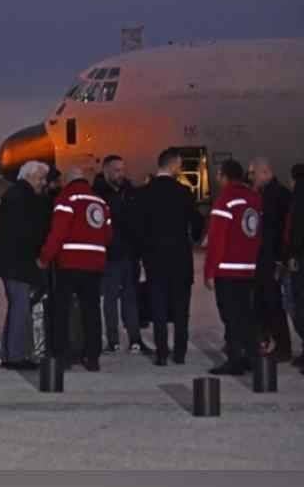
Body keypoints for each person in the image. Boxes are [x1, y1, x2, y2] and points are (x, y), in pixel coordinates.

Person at [38, 165, 112, 371]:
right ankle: (93, 356)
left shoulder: (66, 198)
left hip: (69, 263)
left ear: (67, 180)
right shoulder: (100, 202)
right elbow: (107, 235)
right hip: (95, 264)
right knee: (92, 311)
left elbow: (58, 233)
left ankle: (62, 355)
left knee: (62, 309)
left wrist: (45, 257)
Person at [134, 149, 204, 366]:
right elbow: (197, 222)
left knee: (159, 308)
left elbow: (138, 228)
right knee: (181, 309)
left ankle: (162, 352)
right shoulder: (184, 192)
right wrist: (195, 239)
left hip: (155, 260)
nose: (180, 168)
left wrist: (143, 252)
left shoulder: (145, 193)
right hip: (180, 259)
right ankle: (180, 352)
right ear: (172, 164)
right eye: (179, 164)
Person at [0, 161, 50, 369]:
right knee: (20, 308)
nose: (43, 182)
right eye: (40, 178)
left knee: (17, 307)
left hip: (11, 263)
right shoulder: (23, 197)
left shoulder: (15, 195)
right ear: (29, 176)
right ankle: (15, 356)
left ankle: (12, 352)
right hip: (17, 264)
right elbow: (28, 232)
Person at [203, 160, 262, 375]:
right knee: (246, 314)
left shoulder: (225, 199)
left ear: (223, 175)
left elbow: (217, 239)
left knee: (230, 316)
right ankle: (252, 356)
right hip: (248, 268)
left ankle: (235, 359)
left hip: (227, 270)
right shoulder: (254, 199)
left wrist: (210, 271)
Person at [93, 155, 149, 354]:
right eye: (116, 170)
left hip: (130, 255)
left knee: (130, 298)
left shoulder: (130, 192)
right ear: (106, 171)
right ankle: (113, 340)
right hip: (109, 256)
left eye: (122, 169)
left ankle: (135, 339)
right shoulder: (98, 194)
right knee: (109, 299)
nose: (121, 174)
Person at [249, 157, 293, 362]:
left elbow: (279, 230)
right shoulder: (268, 194)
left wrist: (279, 259)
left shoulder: (276, 195)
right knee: (263, 301)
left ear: (264, 172)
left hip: (271, 260)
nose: (251, 178)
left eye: (253, 173)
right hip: (265, 258)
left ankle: (282, 346)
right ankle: (266, 340)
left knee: (273, 302)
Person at [285, 164, 304, 369]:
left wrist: (291, 254)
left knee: (299, 304)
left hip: (301, 258)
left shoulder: (298, 197)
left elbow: (296, 229)